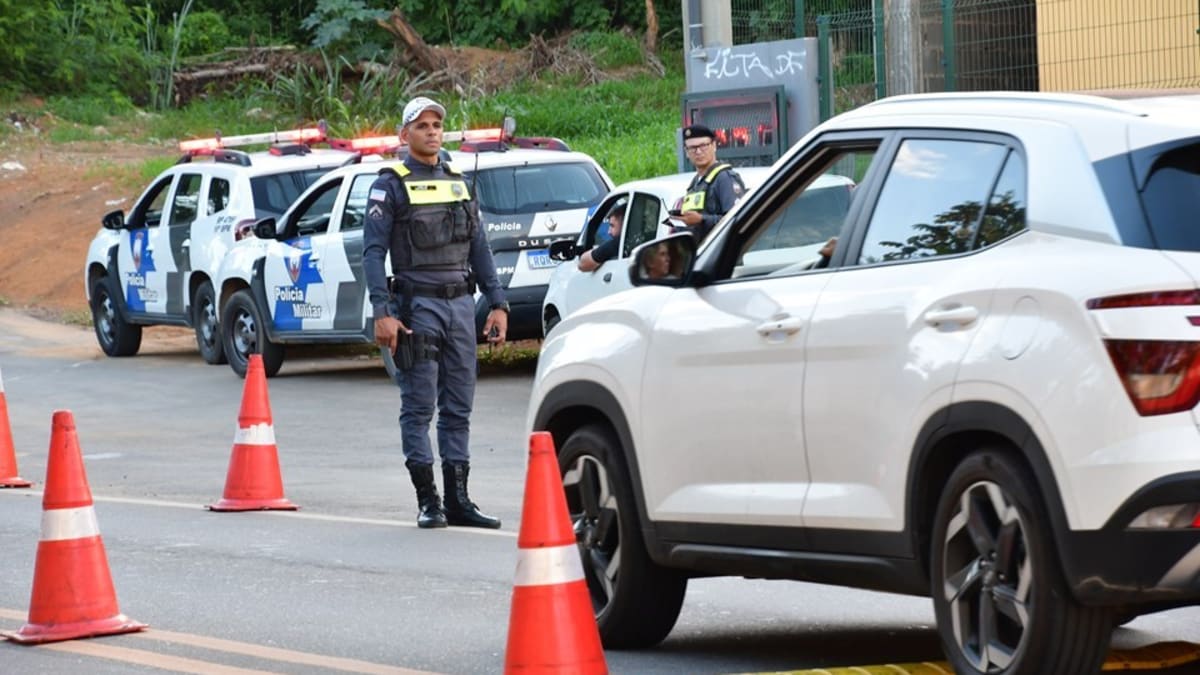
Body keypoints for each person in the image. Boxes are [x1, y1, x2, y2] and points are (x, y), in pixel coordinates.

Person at [363, 96, 509, 530]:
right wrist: (382, 311)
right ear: (404, 135)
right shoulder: (389, 184)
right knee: (420, 404)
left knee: (459, 405)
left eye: (436, 124)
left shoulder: (459, 180)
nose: (431, 131)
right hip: (416, 307)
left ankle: (459, 500)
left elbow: (479, 247)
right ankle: (429, 501)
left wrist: (497, 302)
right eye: (422, 125)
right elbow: (372, 253)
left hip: (461, 307)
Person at [669, 124, 746, 241]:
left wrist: (701, 219)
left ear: (714, 146)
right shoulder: (695, 183)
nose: (698, 152)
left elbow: (738, 219)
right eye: (692, 148)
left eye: (703, 146)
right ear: (686, 152)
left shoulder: (724, 178)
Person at [577, 201, 624, 272]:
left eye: (612, 226)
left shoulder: (616, 245)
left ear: (624, 225)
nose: (609, 232)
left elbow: (583, 264)